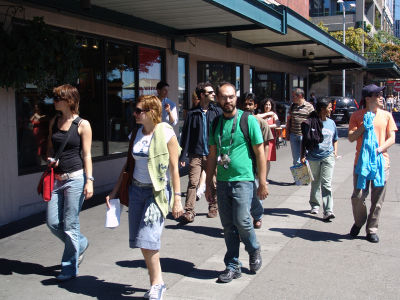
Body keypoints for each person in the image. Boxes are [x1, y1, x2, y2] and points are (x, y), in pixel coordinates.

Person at [106, 95, 183, 299]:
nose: (135, 114)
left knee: (148, 239)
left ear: (152, 111)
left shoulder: (166, 132)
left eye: (139, 110)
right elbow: (128, 166)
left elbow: (175, 168)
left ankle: (157, 284)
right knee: (141, 241)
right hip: (136, 191)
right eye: (136, 110)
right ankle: (157, 280)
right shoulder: (136, 133)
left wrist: (177, 198)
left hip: (156, 192)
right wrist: (114, 192)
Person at [206, 82, 268, 283]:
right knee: (228, 226)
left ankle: (253, 248)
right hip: (223, 181)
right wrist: (208, 183)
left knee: (242, 220)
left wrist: (263, 182)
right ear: (218, 99)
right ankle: (232, 265)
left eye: (231, 96)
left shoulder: (247, 120)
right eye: (223, 97)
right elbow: (212, 155)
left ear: (236, 98)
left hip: (244, 179)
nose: (228, 100)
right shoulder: (215, 123)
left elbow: (260, 153)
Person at [46, 84, 93, 281]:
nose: (54, 100)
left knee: (71, 224)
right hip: (56, 179)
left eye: (58, 97)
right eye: (55, 97)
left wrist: (89, 180)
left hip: (75, 178)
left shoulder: (83, 124)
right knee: (53, 222)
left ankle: (69, 268)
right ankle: (80, 243)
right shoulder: (54, 121)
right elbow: (50, 146)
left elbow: (87, 154)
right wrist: (50, 159)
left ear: (69, 100)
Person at [348, 84, 397, 243]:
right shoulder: (357, 115)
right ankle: (359, 222)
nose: (381, 97)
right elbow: (351, 137)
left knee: (377, 201)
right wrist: (364, 124)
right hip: (361, 164)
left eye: (380, 94)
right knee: (358, 197)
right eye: (377, 95)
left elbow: (392, 138)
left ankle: (371, 229)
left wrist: (379, 150)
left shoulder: (387, 115)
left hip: (381, 163)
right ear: (368, 99)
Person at [179, 83, 222, 222]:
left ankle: (213, 207)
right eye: (210, 92)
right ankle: (189, 211)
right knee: (193, 182)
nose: (213, 94)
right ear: (202, 95)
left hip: (212, 154)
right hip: (195, 154)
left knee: (213, 183)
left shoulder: (217, 112)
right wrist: (183, 155)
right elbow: (186, 135)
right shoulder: (192, 114)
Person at [300, 98, 338, 220]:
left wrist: (335, 151)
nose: (331, 109)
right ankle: (315, 205)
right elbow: (304, 140)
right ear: (322, 109)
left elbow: (335, 139)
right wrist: (302, 155)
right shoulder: (311, 122)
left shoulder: (331, 123)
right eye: (329, 107)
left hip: (328, 156)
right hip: (313, 157)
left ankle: (328, 210)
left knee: (326, 183)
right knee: (315, 182)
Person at [241, 93, 274, 229]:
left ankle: (258, 216)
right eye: (245, 104)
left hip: (257, 163)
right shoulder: (238, 120)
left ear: (255, 106)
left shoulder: (261, 122)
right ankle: (245, 218)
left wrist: (263, 164)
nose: (248, 106)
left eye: (250, 104)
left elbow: (266, 144)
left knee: (256, 190)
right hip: (243, 163)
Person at [286, 88, 314, 165]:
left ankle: (307, 176)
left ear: (300, 96)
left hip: (305, 136)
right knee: (296, 159)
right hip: (293, 135)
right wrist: (287, 133)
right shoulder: (293, 106)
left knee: (305, 158)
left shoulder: (309, 107)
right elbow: (289, 120)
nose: (292, 98)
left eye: (294, 96)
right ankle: (299, 177)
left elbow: (314, 121)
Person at [258, 98, 281, 182]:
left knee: (267, 159)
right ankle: (260, 176)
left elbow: (278, 124)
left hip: (270, 139)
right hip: (260, 138)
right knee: (260, 157)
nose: (267, 106)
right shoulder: (260, 114)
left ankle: (265, 177)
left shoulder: (273, 115)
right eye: (266, 104)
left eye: (269, 105)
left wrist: (267, 126)